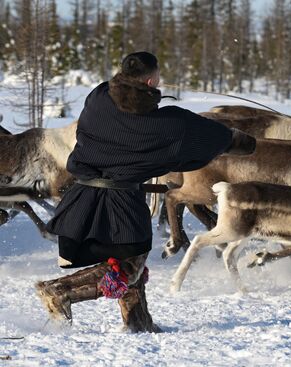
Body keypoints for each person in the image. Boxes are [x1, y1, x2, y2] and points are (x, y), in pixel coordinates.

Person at [35, 51, 255, 332]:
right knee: (129, 266)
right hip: (118, 202)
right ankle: (59, 291)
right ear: (151, 81)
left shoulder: (99, 97)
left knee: (127, 260)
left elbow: (121, 97)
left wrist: (142, 92)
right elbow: (206, 136)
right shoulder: (164, 125)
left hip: (81, 197)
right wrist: (243, 141)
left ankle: (138, 322)